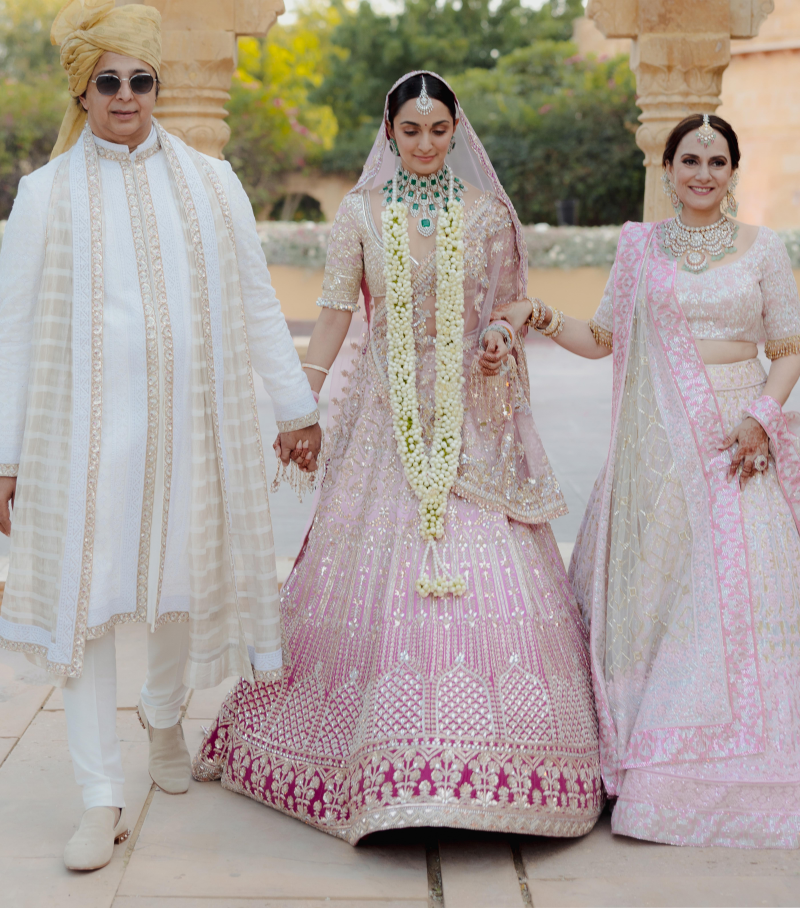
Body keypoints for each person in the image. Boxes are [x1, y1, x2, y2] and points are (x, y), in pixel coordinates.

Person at [194, 70, 602, 843]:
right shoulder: (359, 213)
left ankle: (499, 766)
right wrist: (299, 405)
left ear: (456, 132)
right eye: (409, 131)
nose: (423, 144)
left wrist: (501, 335)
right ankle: (368, 760)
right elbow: (334, 320)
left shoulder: (487, 214)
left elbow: (515, 301)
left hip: (473, 422)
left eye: (437, 131)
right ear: (389, 132)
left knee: (488, 570)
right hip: (383, 421)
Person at [0, 0, 321, 871]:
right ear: (83, 93)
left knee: (180, 584)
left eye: (142, 79)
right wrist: (4, 457)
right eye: (109, 82)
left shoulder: (212, 181)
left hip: (195, 431)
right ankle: (100, 795)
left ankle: (166, 714)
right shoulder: (45, 193)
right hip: (83, 443)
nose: (128, 95)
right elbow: (15, 327)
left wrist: (296, 406)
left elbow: (258, 301)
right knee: (88, 605)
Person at [495, 113, 800, 847]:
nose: (702, 172)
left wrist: (762, 414)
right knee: (655, 596)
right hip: (655, 453)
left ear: (733, 172)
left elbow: (790, 347)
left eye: (716, 161)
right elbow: (603, 341)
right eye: (689, 159)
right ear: (667, 169)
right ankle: (634, 755)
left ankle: (719, 768)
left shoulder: (765, 250)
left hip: (736, 441)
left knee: (734, 597)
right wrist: (536, 314)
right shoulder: (639, 249)